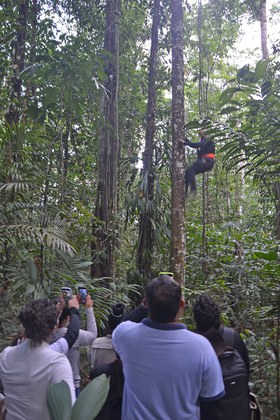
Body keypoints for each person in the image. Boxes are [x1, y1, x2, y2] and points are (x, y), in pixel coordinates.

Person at [112, 274, 225, 420]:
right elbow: (212, 406)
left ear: (145, 304)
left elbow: (122, 324)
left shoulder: (126, 336)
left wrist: (146, 305)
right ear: (182, 305)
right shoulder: (202, 347)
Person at [0, 298, 76, 420]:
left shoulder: (6, 355)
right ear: (55, 327)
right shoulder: (56, 362)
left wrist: (3, 401)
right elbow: (69, 410)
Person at [50, 294, 97, 396]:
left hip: (48, 386)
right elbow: (92, 335)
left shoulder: (42, 334)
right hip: (71, 387)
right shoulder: (66, 333)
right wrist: (89, 308)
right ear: (68, 318)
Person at [193, 294, 250, 373]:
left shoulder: (191, 342)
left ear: (196, 318)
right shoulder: (232, 336)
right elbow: (246, 369)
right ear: (218, 315)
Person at [89, 303, 125, 369]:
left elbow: (91, 364)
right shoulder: (130, 345)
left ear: (108, 324)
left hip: (99, 378)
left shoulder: (96, 343)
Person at [183, 130, 215, 195]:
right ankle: (185, 192)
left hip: (208, 161)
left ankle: (193, 189)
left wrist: (185, 143)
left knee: (191, 169)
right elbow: (196, 145)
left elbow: (197, 145)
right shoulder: (204, 143)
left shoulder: (207, 140)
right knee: (187, 172)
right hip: (206, 162)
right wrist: (186, 141)